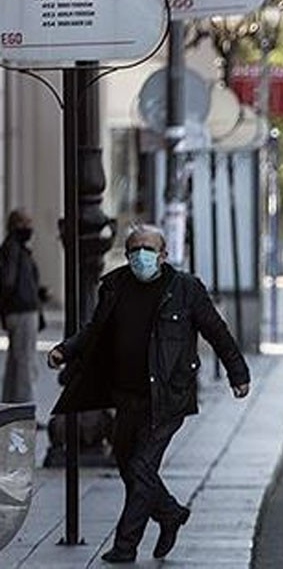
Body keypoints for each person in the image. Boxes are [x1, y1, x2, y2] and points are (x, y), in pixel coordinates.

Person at [46, 224, 251, 563]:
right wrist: (65, 350)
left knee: (141, 466)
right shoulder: (115, 286)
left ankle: (125, 546)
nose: (141, 255)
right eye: (135, 249)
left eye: (148, 249)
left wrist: (238, 373)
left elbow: (217, 332)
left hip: (169, 397)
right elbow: (95, 330)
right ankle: (169, 513)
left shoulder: (186, 289)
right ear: (127, 256)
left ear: (163, 254)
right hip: (126, 395)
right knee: (129, 466)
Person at [0, 209, 44, 404]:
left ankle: (11, 405)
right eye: (25, 224)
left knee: (16, 361)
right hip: (22, 311)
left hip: (19, 310)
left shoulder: (14, 249)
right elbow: (8, 283)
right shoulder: (14, 249)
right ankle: (25, 409)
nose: (29, 228)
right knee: (25, 362)